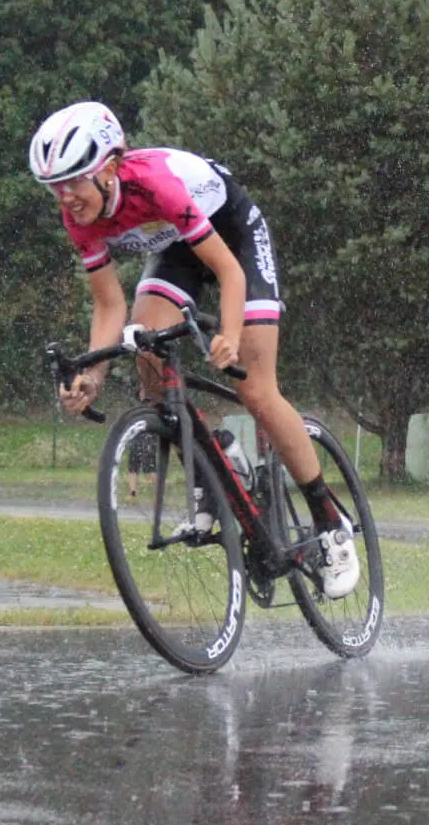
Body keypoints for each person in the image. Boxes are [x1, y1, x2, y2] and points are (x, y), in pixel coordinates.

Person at [31, 100, 357, 598]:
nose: (66, 197)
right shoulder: (78, 216)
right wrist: (92, 376)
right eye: (56, 186)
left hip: (233, 235)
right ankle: (217, 459)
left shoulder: (155, 183)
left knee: (257, 391)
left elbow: (228, 270)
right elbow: (108, 306)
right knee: (145, 349)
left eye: (76, 180)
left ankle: (331, 522)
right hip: (175, 248)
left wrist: (227, 334)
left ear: (112, 168)